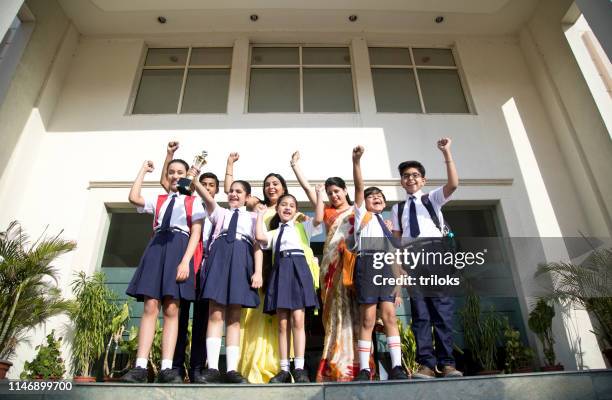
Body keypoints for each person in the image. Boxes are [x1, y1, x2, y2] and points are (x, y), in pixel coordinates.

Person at [224, 153, 319, 383]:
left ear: (284, 188)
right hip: (264, 269)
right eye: (267, 184)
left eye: (275, 183)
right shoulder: (258, 207)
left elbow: (317, 212)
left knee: (295, 319)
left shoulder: (295, 214)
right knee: (267, 319)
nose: (271, 187)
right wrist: (230, 165)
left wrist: (296, 167)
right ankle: (264, 366)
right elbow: (231, 192)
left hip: (294, 269)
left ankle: (292, 366)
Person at [121, 158, 204, 384]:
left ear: (187, 175)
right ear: (167, 176)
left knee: (172, 308)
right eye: (172, 172)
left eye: (180, 172)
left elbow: (196, 233)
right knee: (150, 306)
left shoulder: (193, 201)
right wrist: (142, 170)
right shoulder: (159, 199)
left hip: (179, 248)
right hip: (157, 247)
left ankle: (167, 368)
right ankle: (140, 366)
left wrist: (186, 261)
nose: (176, 175)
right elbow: (133, 198)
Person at [391, 137, 462, 379]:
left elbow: (453, 184)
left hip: (435, 255)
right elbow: (398, 241)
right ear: (401, 181)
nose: (410, 178)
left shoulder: (431, 198)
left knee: (442, 311)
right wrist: (399, 269)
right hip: (413, 260)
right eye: (405, 175)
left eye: (414, 175)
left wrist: (446, 152)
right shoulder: (397, 209)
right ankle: (427, 365)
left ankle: (448, 363)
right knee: (420, 314)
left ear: (423, 180)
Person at [290, 151, 363, 382]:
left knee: (355, 313)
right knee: (332, 314)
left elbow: (361, 188)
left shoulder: (356, 209)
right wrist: (295, 167)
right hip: (330, 268)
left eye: (337, 191)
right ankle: (334, 361)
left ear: (345, 191)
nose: (333, 196)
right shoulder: (328, 212)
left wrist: (355, 162)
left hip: (352, 266)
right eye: (330, 193)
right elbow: (309, 191)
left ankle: (357, 364)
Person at [160, 141, 219, 383]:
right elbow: (167, 182)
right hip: (185, 264)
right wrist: (171, 155)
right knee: (179, 315)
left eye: (211, 186)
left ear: (216, 190)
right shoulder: (185, 200)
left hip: (205, 270)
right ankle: (173, 367)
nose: (207, 188)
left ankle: (197, 369)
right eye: (202, 184)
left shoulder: (217, 211)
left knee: (202, 321)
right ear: (195, 185)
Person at [195, 174, 263, 384]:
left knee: (234, 316)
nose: (233, 194)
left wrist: (258, 272)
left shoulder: (253, 217)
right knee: (215, 312)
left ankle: (232, 369)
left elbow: (258, 245)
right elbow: (206, 197)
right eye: (231, 191)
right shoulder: (220, 213)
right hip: (220, 256)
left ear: (247, 197)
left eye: (239, 191)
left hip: (242, 258)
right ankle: (213, 367)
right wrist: (194, 178)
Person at [350, 145, 409, 381]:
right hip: (366, 265)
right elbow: (359, 187)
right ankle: (364, 368)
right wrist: (356, 162)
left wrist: (398, 288)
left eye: (380, 196)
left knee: (390, 317)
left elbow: (394, 257)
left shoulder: (387, 227)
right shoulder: (361, 216)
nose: (376, 198)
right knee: (368, 319)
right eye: (371, 196)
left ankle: (397, 367)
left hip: (385, 268)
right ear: (364, 203)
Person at [254, 188, 324, 383]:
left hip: (299, 270)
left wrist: (318, 195)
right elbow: (260, 237)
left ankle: (299, 368)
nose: (288, 208)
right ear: (277, 209)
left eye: (292, 205)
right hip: (281, 270)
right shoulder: (274, 232)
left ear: (296, 210)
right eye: (284, 205)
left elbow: (319, 216)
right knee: (283, 323)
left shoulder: (303, 227)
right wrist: (260, 215)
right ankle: (284, 369)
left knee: (298, 320)